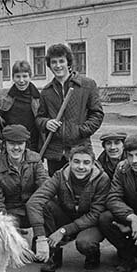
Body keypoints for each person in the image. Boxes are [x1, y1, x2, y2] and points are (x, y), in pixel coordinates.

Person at [27, 144, 111, 272]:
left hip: (90, 223)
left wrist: (63, 231)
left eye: (86, 162)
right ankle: (54, 255)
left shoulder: (102, 179)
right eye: (76, 161)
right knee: (46, 205)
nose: (81, 167)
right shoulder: (59, 176)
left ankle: (93, 254)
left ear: (93, 164)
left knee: (85, 243)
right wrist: (40, 237)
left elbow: (95, 214)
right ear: (69, 161)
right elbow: (34, 201)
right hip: (67, 216)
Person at [36, 43, 104, 176]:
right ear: (49, 65)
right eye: (54, 62)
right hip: (55, 153)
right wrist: (46, 123)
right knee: (57, 189)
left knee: (83, 188)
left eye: (61, 61)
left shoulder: (87, 85)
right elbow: (39, 118)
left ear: (68, 63)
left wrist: (80, 131)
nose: (58, 65)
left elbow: (97, 114)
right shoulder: (46, 91)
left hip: (80, 149)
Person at [99, 133, 137, 272]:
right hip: (130, 216)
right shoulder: (122, 168)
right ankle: (127, 257)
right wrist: (131, 217)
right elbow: (113, 197)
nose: (134, 160)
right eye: (130, 155)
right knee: (105, 218)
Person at [0, 124, 48, 229]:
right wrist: (4, 221)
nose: (16, 148)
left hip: (35, 206)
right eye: (11, 143)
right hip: (13, 211)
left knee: (50, 209)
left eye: (20, 143)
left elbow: (45, 186)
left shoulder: (35, 160)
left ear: (25, 145)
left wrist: (36, 206)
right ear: (4, 145)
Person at [0, 60, 41, 152]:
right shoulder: (2, 96)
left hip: (32, 146)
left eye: (25, 76)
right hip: (9, 146)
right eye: (18, 76)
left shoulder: (39, 98)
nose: (21, 80)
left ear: (30, 77)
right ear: (13, 78)